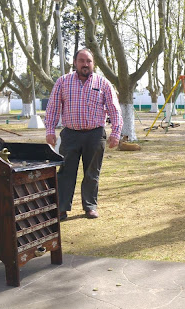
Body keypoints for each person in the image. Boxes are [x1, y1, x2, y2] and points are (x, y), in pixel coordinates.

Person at [45, 48, 123, 220]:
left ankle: (90, 206)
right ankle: (62, 208)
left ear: (93, 63)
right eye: (81, 60)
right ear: (75, 63)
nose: (85, 64)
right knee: (65, 172)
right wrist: (50, 130)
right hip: (70, 135)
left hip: (95, 135)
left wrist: (115, 133)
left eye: (88, 61)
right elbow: (52, 108)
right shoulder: (63, 82)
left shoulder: (103, 83)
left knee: (92, 172)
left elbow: (114, 110)